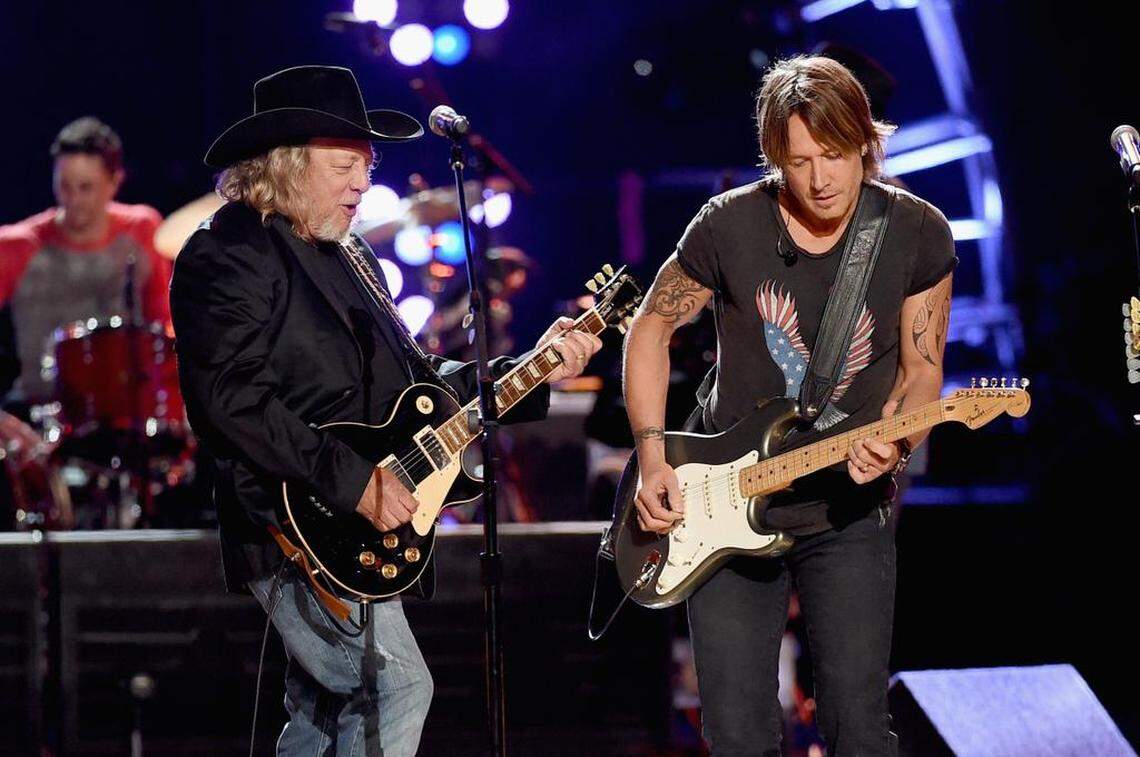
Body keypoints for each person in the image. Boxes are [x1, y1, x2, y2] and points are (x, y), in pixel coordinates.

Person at [169, 65, 600, 755]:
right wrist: (355, 482)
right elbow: (230, 401)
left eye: (366, 167)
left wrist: (533, 369)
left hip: (362, 528)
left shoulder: (350, 255)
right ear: (286, 164)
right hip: (297, 523)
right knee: (394, 687)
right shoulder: (225, 254)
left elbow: (421, 387)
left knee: (320, 718)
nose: (364, 185)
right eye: (345, 165)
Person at [622, 55, 956, 756]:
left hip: (847, 512)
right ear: (775, 157)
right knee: (739, 734)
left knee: (859, 728)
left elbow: (924, 368)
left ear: (866, 140)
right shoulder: (727, 225)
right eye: (798, 160)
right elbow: (649, 328)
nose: (821, 178)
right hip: (724, 506)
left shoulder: (916, 232)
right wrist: (653, 455)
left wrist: (895, 444)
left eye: (835, 155)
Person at [0, 117, 170, 444]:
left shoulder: (142, 229)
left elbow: (164, 330)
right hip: (35, 418)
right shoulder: (17, 245)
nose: (73, 200)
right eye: (64, 186)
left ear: (114, 181)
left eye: (86, 187)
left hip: (123, 415)